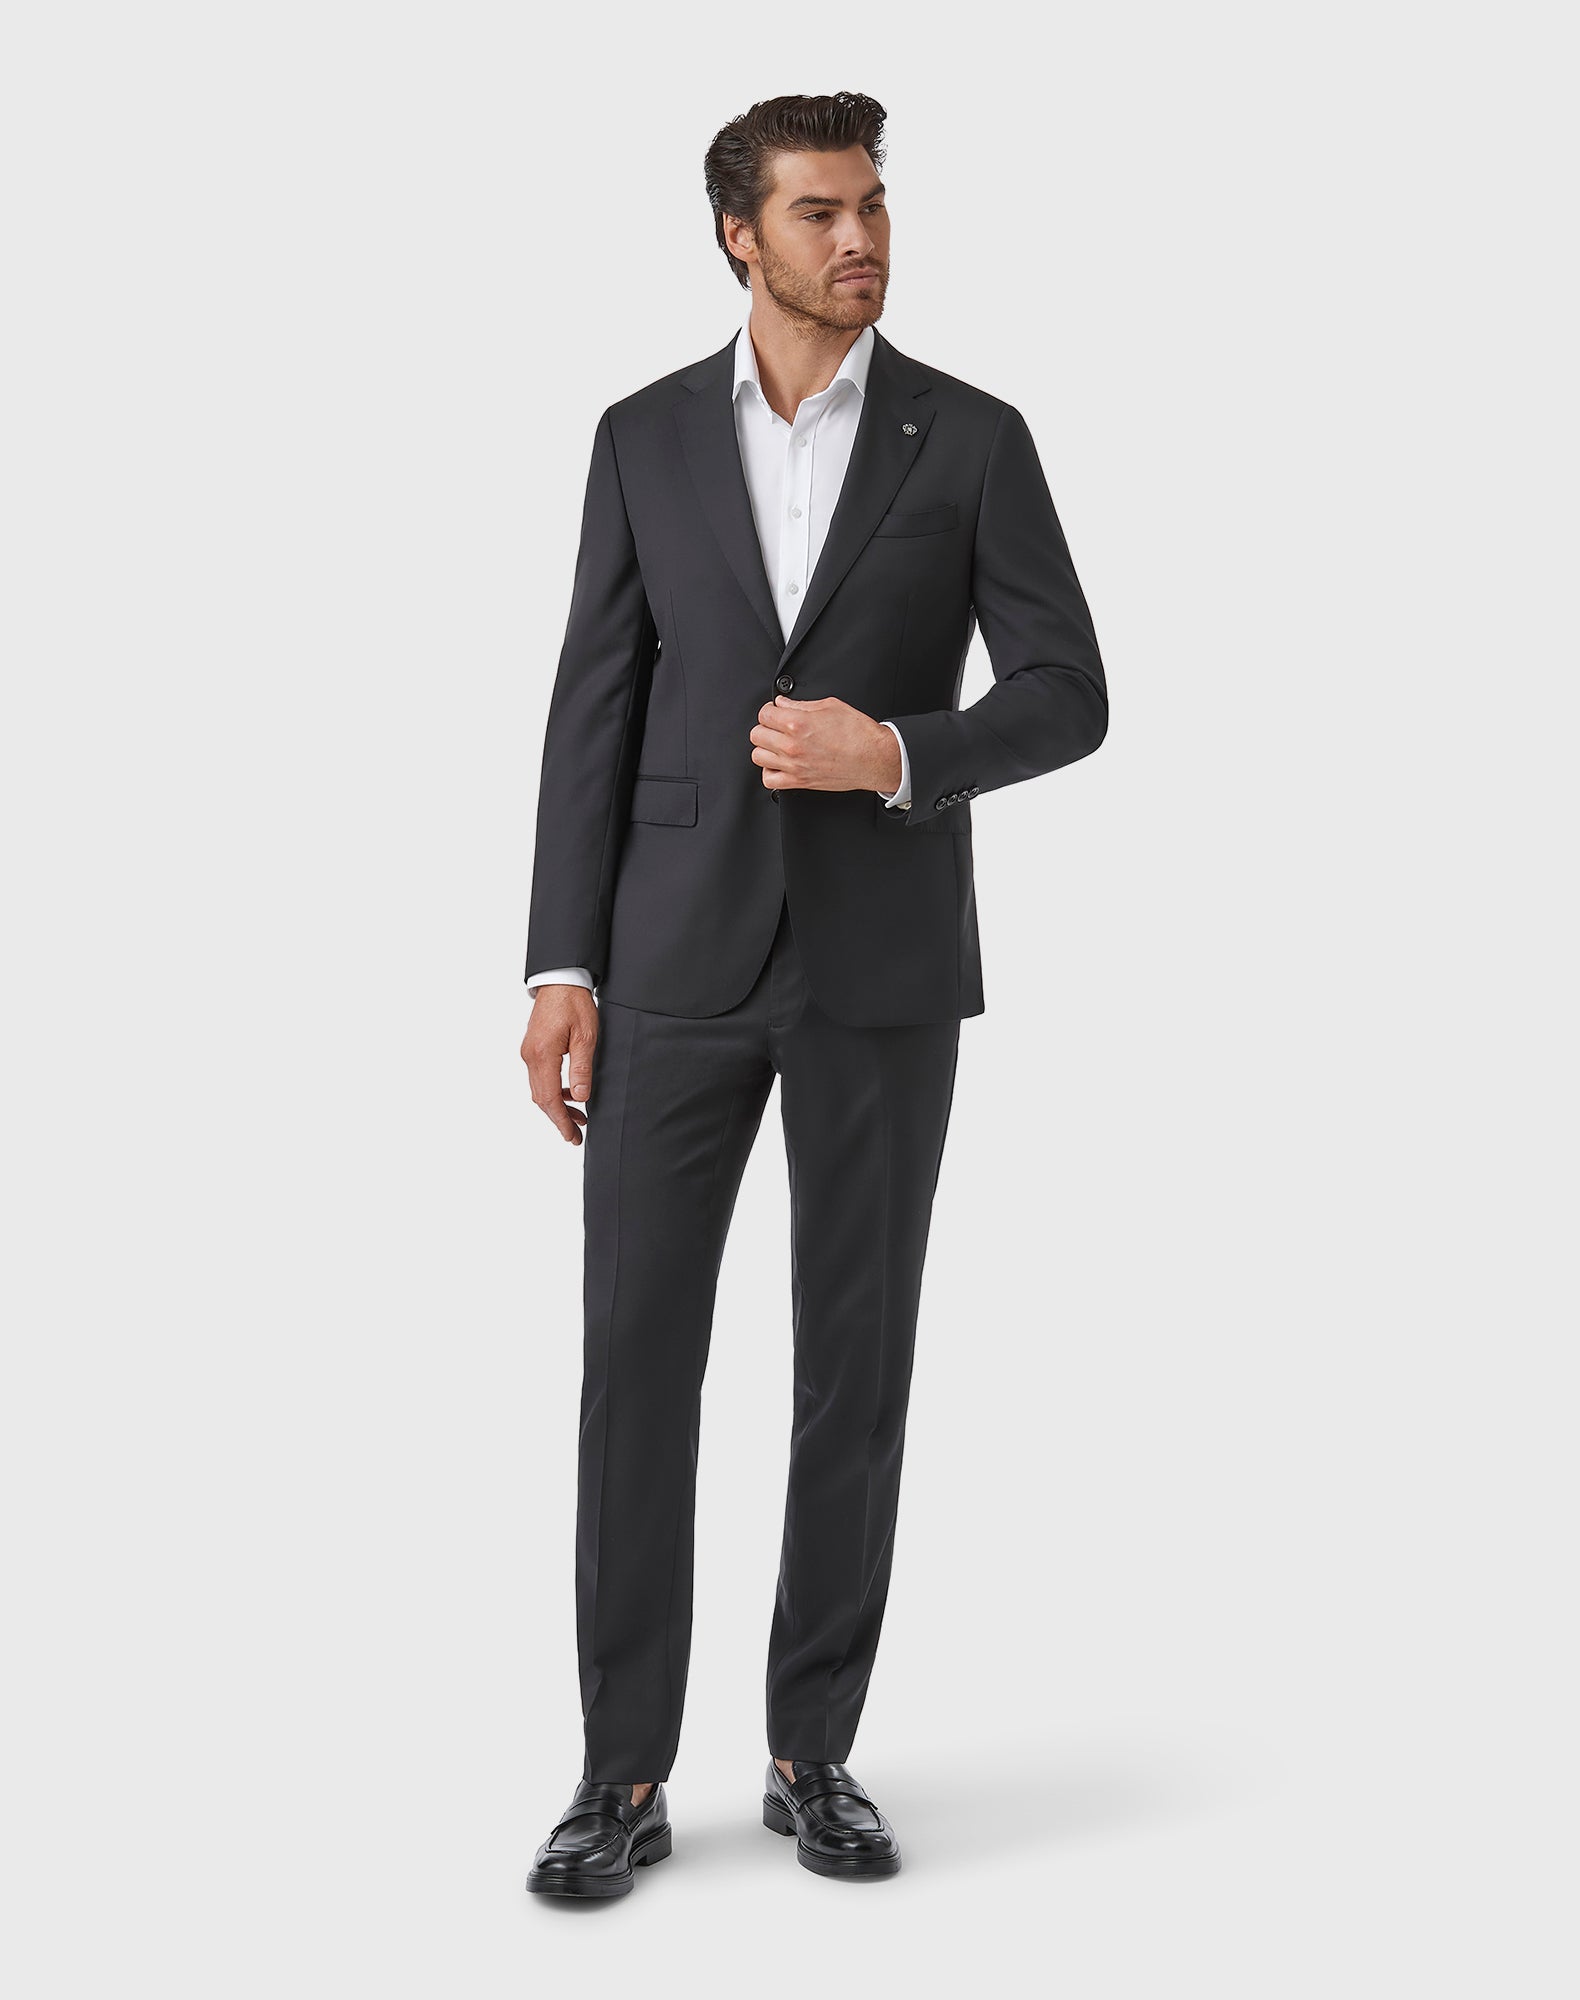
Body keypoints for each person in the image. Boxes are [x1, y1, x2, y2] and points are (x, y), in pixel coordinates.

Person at [519, 89, 1108, 1897]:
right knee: (637, 1366)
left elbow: (1070, 689)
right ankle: (621, 1775)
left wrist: (899, 752)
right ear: (739, 236)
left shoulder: (972, 437)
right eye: (819, 214)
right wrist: (561, 963)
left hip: (881, 967)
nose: (859, 240)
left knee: (855, 1367)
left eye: (872, 208)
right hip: (670, 961)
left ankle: (813, 1751)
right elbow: (593, 704)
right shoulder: (641, 438)